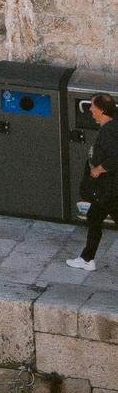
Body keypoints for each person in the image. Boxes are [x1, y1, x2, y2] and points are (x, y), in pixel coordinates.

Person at [74, 94, 118, 267]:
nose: (90, 109)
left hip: (109, 187)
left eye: (93, 106)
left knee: (94, 216)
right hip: (109, 188)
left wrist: (98, 169)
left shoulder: (108, 131)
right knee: (94, 216)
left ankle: (86, 259)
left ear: (101, 110)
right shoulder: (112, 126)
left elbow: (115, 157)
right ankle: (87, 259)